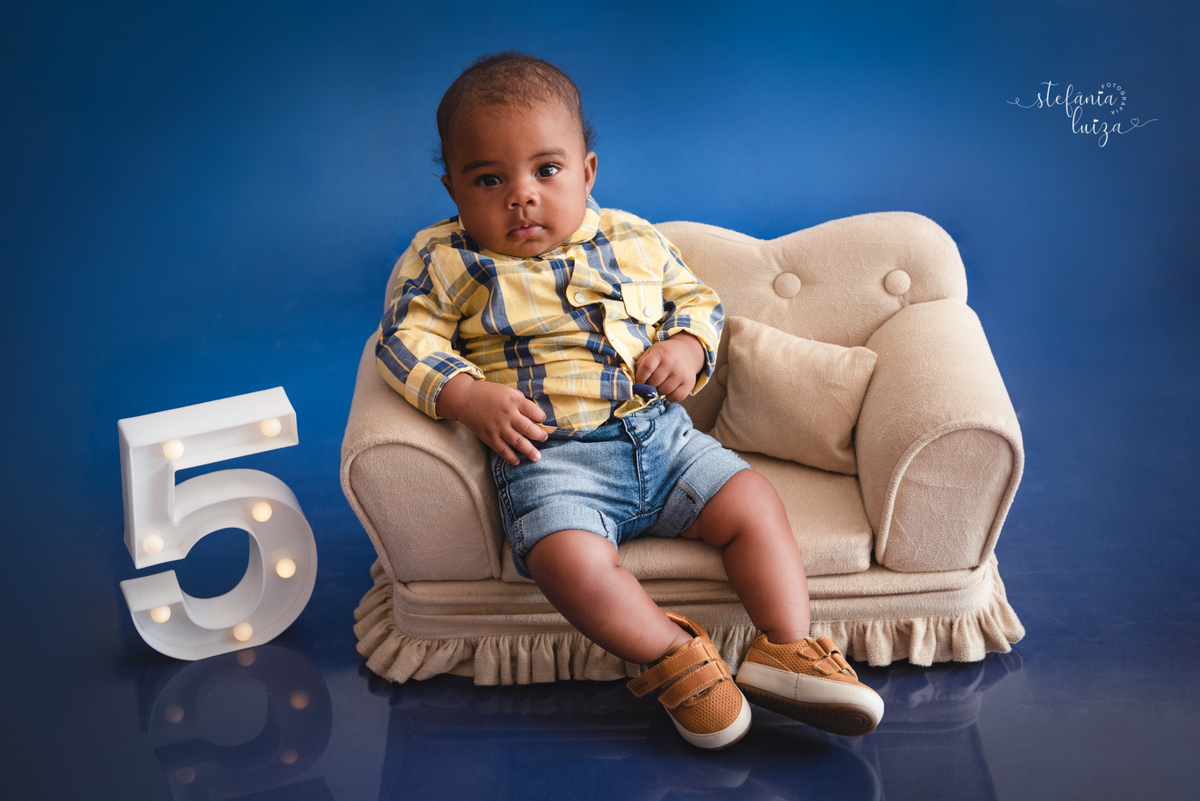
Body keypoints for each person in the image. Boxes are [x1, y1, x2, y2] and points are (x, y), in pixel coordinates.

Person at [376, 51, 883, 749]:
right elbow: (404, 339)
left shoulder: (632, 239)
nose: (521, 196)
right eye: (488, 179)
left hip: (663, 438)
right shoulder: (447, 259)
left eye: (546, 170)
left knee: (754, 503)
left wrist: (688, 347)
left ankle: (787, 649)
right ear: (453, 190)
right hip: (552, 460)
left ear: (586, 171)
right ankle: (676, 657)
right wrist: (467, 396)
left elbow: (696, 300)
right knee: (564, 560)